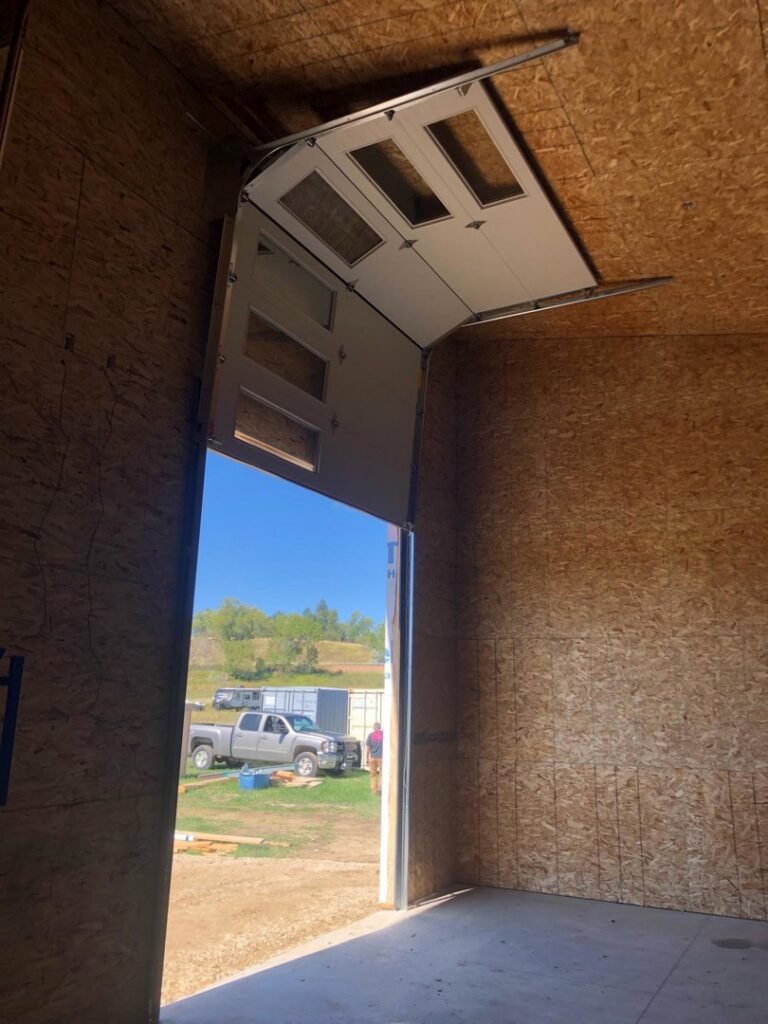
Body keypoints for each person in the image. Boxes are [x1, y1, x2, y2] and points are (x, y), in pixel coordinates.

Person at [366, 722, 383, 795]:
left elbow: (368, 748)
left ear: (373, 728)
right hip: (381, 758)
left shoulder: (370, 735)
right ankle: (380, 788)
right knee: (382, 773)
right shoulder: (383, 735)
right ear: (380, 727)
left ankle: (374, 790)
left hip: (372, 757)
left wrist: (367, 758)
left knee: (373, 775)